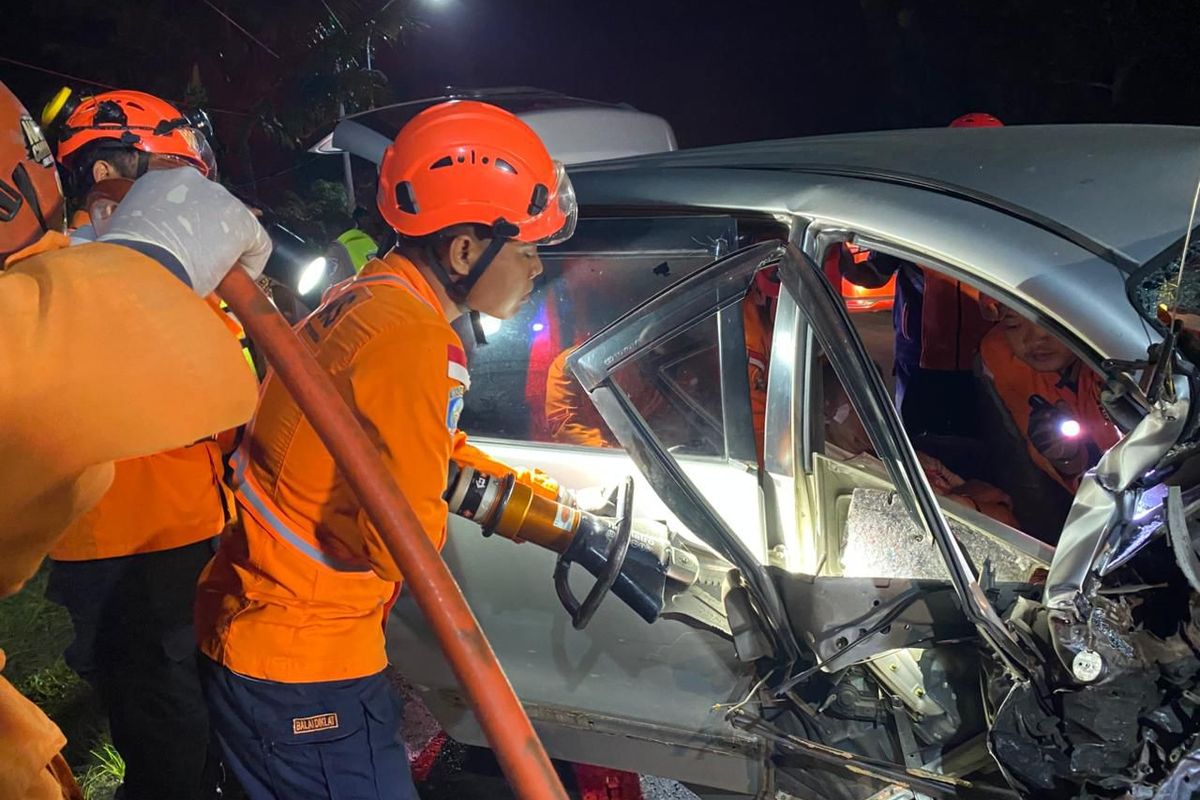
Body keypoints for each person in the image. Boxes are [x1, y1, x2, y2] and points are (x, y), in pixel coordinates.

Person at [193, 100, 605, 799]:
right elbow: (403, 542)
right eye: (527, 245)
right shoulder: (418, 342)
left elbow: (429, 456)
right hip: (304, 666)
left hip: (261, 633)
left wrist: (566, 523)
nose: (538, 264)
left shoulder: (370, 298)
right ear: (465, 250)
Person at [0, 79, 269, 800]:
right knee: (159, 694)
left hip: (182, 516)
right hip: (132, 530)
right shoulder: (82, 280)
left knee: (176, 681)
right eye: (170, 177)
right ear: (108, 173)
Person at [837, 113, 1004, 441]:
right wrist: (843, 261)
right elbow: (875, 273)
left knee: (992, 455)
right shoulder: (918, 210)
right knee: (922, 449)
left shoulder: (1009, 216)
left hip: (991, 365)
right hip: (922, 363)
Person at [979, 305, 1120, 493]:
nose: (1034, 338)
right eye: (1013, 323)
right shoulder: (1008, 360)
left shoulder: (1118, 355)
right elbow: (1073, 471)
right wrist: (1066, 455)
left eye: (1052, 319)